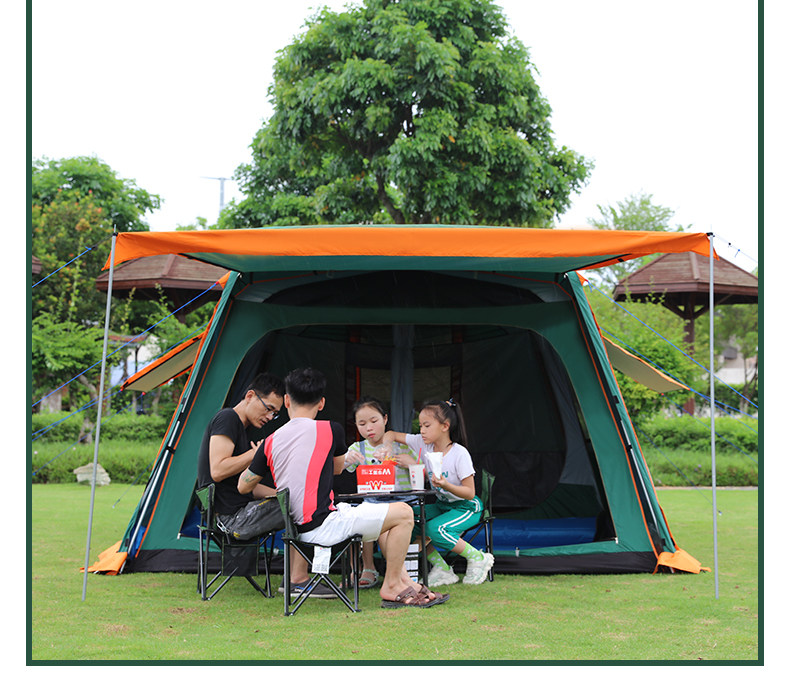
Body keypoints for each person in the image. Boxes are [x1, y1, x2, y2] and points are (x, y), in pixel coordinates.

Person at [238, 367, 449, 609]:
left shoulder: (271, 440)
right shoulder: (330, 430)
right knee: (404, 513)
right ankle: (392, 585)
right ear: (321, 403)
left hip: (295, 528)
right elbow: (338, 469)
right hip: (323, 525)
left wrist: (264, 460)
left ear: (286, 401)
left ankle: (405, 582)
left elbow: (244, 485)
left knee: (390, 516)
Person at [382, 399, 494, 586]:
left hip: (466, 507)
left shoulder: (459, 454)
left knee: (435, 528)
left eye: (427, 426)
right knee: (407, 518)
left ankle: (478, 558)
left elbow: (469, 492)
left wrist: (446, 485)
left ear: (445, 426)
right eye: (420, 426)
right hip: (443, 505)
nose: (422, 430)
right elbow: (391, 434)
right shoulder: (422, 444)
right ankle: (442, 569)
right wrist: (386, 447)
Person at [196, 373, 286, 541]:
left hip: (241, 513)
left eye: (275, 414)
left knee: (293, 504)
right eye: (268, 408)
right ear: (250, 396)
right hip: (230, 519)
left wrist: (283, 494)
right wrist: (254, 454)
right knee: (294, 509)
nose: (270, 417)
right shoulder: (227, 418)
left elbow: (247, 486)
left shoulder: (244, 432)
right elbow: (218, 470)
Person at [342, 396, 420, 589]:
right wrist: (347, 459)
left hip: (402, 501)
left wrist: (412, 464)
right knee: (364, 515)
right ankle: (368, 568)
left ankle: (397, 575)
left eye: (374, 421)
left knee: (383, 525)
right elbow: (340, 467)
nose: (369, 428)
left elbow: (420, 477)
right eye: (362, 424)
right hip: (373, 501)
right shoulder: (357, 448)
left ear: (385, 419)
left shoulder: (402, 447)